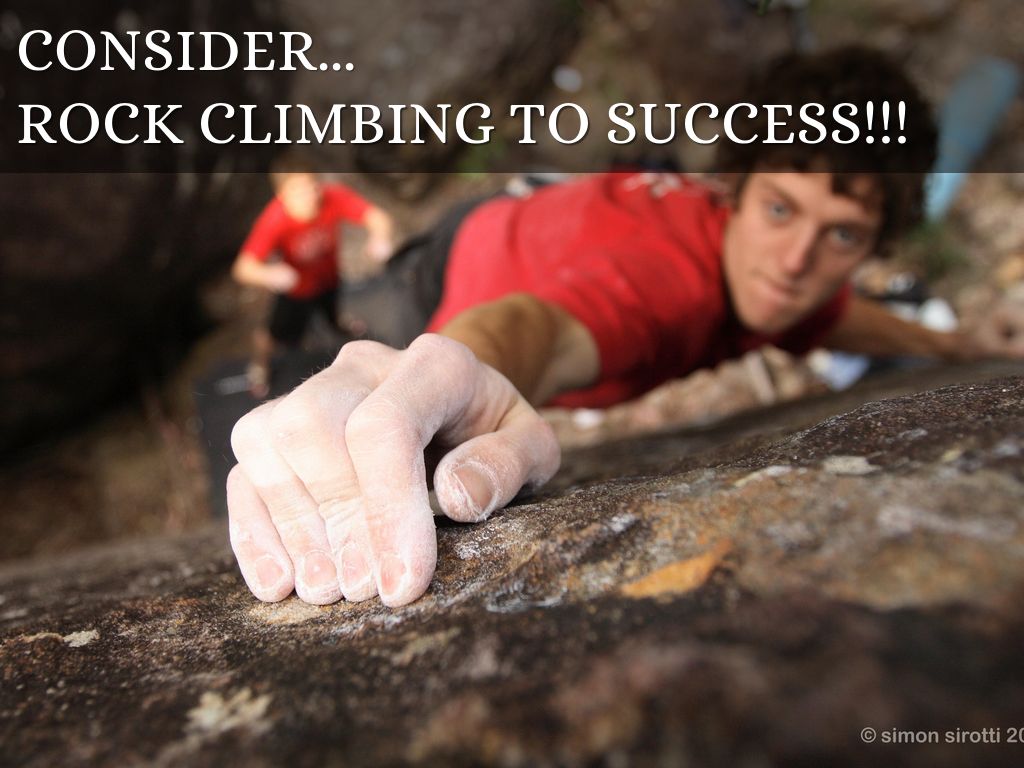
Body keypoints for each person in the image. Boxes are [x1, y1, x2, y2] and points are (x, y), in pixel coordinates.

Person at [226, 47, 1024, 609]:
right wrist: (453, 373)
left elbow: (833, 316)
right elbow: (537, 329)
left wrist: (957, 346)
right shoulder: (667, 290)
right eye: (781, 209)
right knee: (354, 345)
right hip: (446, 276)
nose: (794, 262)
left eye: (841, 234)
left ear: (872, 245)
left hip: (529, 220)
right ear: (733, 189)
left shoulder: (777, 276)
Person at [231, 155, 395, 398]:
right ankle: (258, 367)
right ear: (281, 194)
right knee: (274, 334)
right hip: (296, 291)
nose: (309, 196)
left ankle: (339, 325)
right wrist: (270, 274)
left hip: (329, 279)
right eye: (298, 191)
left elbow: (377, 216)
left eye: (312, 186)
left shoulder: (332, 197)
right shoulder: (274, 220)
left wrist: (380, 237)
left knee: (333, 311)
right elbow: (243, 268)